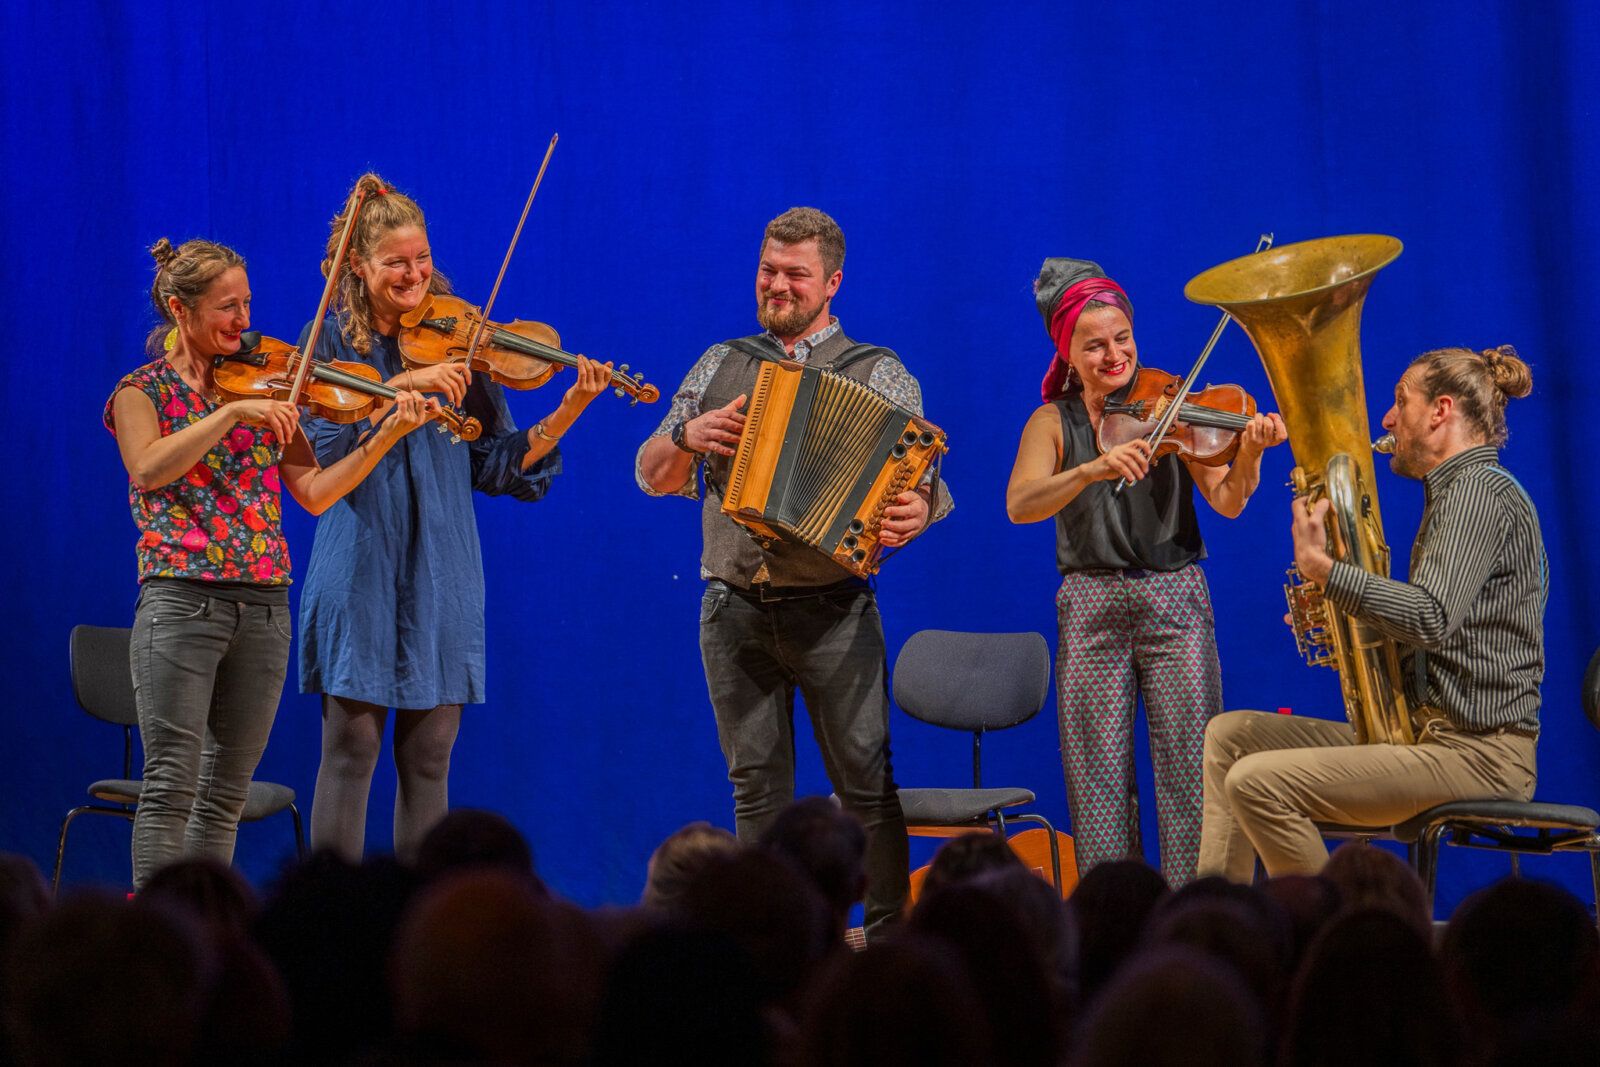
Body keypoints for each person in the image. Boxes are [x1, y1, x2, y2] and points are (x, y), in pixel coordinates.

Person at [636, 206, 950, 934]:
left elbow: (921, 479)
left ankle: (886, 940)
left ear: (832, 282)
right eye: (767, 270)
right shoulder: (721, 363)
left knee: (866, 787)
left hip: (833, 607)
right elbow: (649, 472)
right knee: (756, 791)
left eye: (794, 274)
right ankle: (767, 940)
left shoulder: (879, 372)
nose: (776, 285)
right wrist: (686, 434)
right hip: (733, 607)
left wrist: (917, 511)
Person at [297, 173, 615, 863]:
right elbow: (322, 454)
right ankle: (330, 928)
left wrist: (565, 411)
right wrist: (399, 389)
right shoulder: (329, 342)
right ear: (359, 265)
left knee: (431, 758)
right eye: (395, 263)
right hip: (360, 558)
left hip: (442, 566)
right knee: (351, 751)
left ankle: (419, 932)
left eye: (422, 260)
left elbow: (496, 465)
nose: (415, 275)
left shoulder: (460, 342)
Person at [106, 238, 432, 888]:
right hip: (180, 602)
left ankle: (204, 929)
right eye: (227, 307)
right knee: (172, 779)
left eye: (246, 303)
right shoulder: (142, 391)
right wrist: (230, 414)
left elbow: (314, 492)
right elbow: (147, 467)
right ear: (179, 308)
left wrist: (386, 433)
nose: (243, 321)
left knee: (225, 789)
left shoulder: (267, 386)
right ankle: (158, 936)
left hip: (262, 606)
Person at [1199, 345, 1545, 880]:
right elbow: (1447, 636)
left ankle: (1334, 949)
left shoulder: (1479, 492)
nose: (1386, 419)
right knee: (1230, 736)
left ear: (1441, 411)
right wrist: (1338, 617)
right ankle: (1217, 930)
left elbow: (1431, 617)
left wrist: (1328, 573)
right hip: (1431, 739)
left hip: (1478, 755)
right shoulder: (1455, 493)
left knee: (1257, 782)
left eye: (1399, 401)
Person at [1006, 257, 1286, 886]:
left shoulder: (1174, 407)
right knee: (1098, 786)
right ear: (1069, 355)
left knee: (1192, 780)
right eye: (1095, 344)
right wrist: (1092, 470)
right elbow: (1020, 504)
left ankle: (1193, 926)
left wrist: (1252, 454)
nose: (1114, 354)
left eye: (1123, 338)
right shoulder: (1053, 421)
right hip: (1090, 607)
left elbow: (1230, 502)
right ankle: (1117, 935)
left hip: (1176, 601)